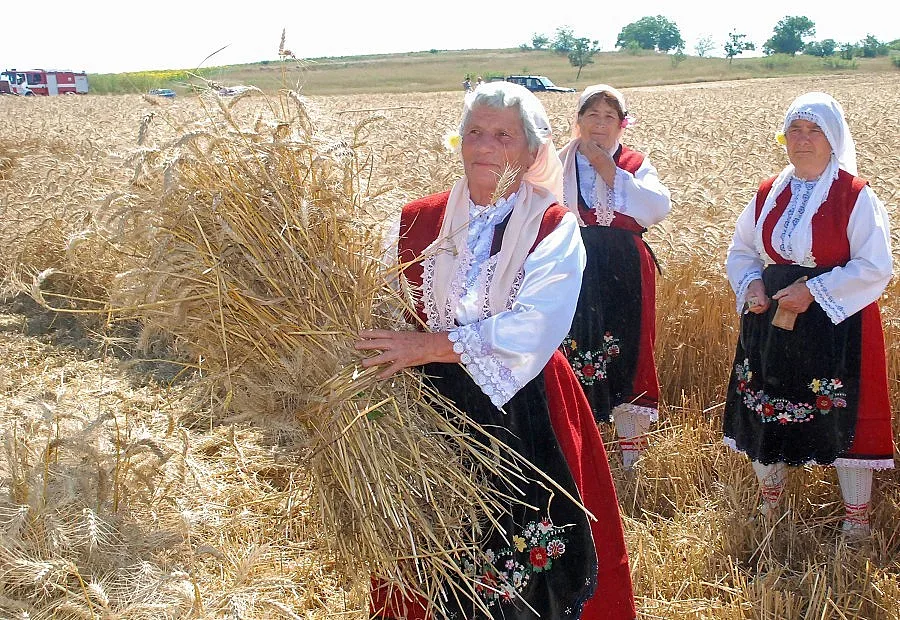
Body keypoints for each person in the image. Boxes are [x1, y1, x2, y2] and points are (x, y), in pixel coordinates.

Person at [356, 82, 635, 619]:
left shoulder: (553, 226)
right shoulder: (415, 219)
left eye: (502, 135)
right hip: (423, 407)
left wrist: (430, 345)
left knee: (523, 555)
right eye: (474, 133)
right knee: (430, 553)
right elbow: (384, 303)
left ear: (532, 151)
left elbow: (536, 324)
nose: (483, 146)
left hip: (523, 405)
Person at [723, 92, 894, 536]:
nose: (802, 139)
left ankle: (856, 526)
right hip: (773, 318)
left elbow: (875, 265)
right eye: (794, 129)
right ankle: (773, 511)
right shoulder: (768, 192)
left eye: (813, 129)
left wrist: (815, 291)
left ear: (833, 137)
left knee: (842, 414)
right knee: (769, 406)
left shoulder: (854, 195)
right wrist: (753, 283)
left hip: (838, 322)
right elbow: (742, 250)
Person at [557, 84, 671, 470]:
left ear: (623, 125)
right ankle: (580, 452)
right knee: (571, 348)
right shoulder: (557, 163)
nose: (600, 124)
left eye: (609, 117)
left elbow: (655, 209)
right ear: (578, 121)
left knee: (630, 350)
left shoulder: (636, 164)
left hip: (625, 272)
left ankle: (630, 459)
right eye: (592, 115)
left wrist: (608, 168)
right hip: (571, 267)